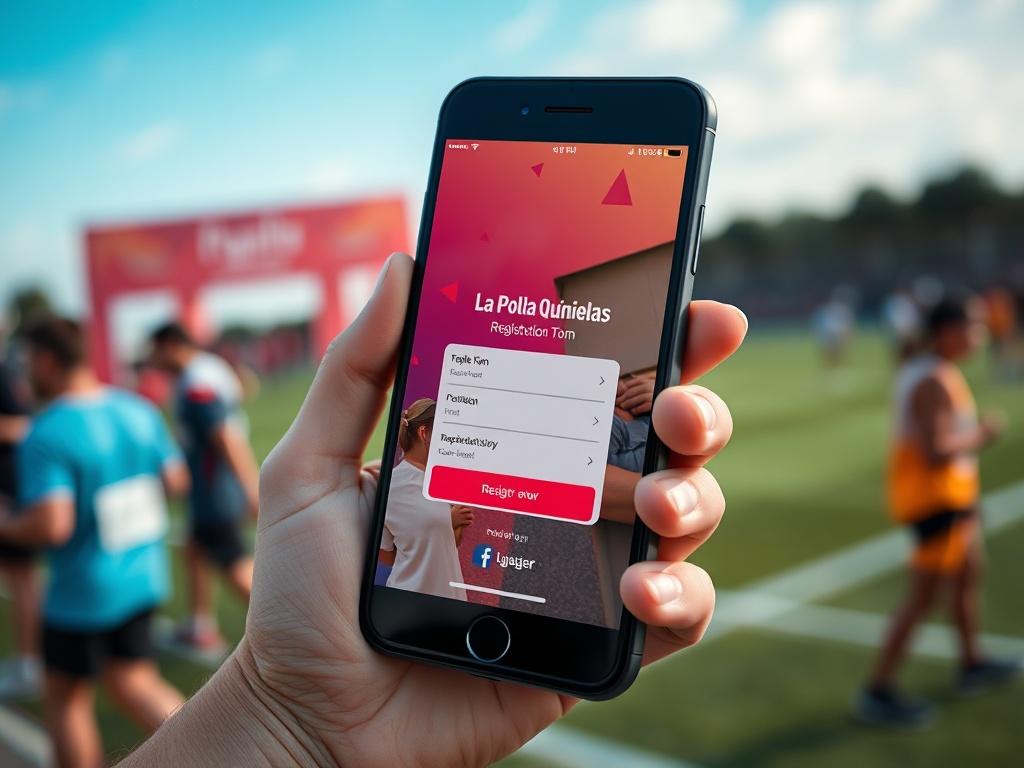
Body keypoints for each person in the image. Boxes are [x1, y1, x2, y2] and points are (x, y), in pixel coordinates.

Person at [118, 252, 746, 767]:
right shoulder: (411, 484)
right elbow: (397, 547)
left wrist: (293, 729)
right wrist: (289, 720)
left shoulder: (428, 479)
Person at [0, 316, 188, 768]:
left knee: (66, 700)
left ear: (47, 361)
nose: (25, 374)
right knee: (134, 681)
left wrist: (5, 524)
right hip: (143, 575)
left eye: (28, 363)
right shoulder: (137, 409)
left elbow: (52, 525)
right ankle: (218, 754)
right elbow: (176, 482)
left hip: (81, 595)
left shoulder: (45, 433)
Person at [856, 296, 1020, 727]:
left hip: (952, 500)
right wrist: (984, 433)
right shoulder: (933, 379)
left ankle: (971, 663)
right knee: (922, 597)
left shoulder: (932, 371)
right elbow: (936, 450)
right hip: (935, 502)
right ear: (948, 331)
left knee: (969, 575)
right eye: (975, 327)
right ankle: (878, 690)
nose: (981, 336)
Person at [149, 323, 260, 652]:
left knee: (234, 561)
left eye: (156, 351)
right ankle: (199, 626)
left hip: (215, 486)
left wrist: (249, 487)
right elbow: (243, 391)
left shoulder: (197, 382)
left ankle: (289, 627)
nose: (153, 360)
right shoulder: (210, 368)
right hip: (213, 483)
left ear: (170, 345)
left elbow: (223, 434)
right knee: (194, 547)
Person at [379, 398, 472, 601]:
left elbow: (446, 545)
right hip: (408, 602)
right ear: (424, 434)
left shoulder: (442, 481)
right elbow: (385, 556)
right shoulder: (391, 485)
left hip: (451, 602)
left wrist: (451, 525)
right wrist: (447, 520)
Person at [0, 342, 41, 699]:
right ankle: (27, 659)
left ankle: (30, 663)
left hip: (12, 490)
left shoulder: (4, 372)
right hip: (11, 489)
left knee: (24, 579)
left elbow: (25, 425)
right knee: (18, 580)